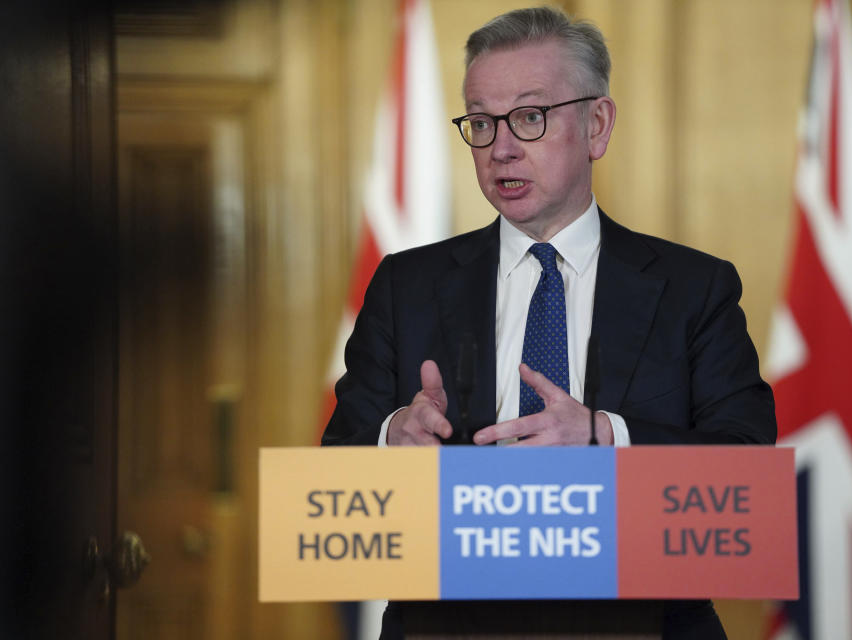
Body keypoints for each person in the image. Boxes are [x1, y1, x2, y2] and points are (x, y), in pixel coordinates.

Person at [322, 7, 776, 639]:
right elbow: (337, 465)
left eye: (529, 117)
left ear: (597, 125)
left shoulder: (694, 289)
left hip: (646, 626)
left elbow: (750, 476)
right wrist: (390, 438)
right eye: (481, 122)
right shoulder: (407, 286)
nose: (500, 146)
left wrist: (604, 436)